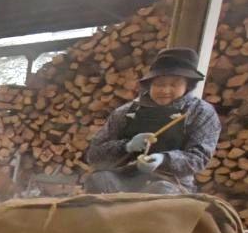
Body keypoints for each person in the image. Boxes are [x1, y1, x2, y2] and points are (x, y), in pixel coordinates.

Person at [84, 48, 221, 195]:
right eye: (159, 83)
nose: (165, 90)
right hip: (124, 178)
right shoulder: (126, 112)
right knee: (98, 179)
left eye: (174, 84)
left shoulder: (200, 112)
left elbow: (199, 158)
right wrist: (127, 146)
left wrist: (164, 159)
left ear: (188, 85)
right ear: (149, 84)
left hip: (172, 182)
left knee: (161, 191)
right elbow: (94, 155)